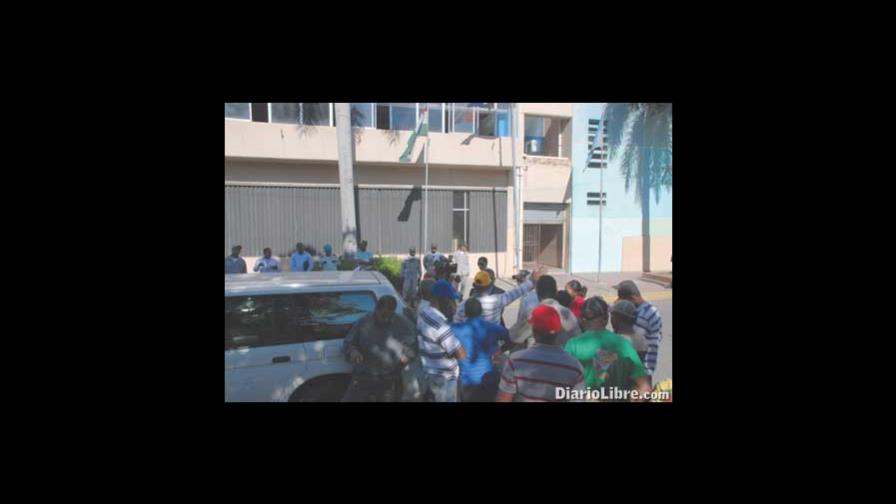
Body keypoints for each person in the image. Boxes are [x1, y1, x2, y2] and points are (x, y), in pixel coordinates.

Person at [564, 296, 651, 401]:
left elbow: (561, 386)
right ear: (606, 319)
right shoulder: (623, 345)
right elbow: (645, 388)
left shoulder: (573, 346)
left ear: (582, 320)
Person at [496, 304, 586, 402]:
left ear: (533, 331)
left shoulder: (515, 361)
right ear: (559, 332)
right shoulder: (575, 367)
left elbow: (504, 398)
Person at [341, 295, 417, 402]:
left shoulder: (403, 324)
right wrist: (353, 352)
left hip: (389, 377)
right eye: (382, 315)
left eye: (388, 316)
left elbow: (413, 344)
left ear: (393, 311)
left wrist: (407, 356)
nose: (385, 319)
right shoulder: (364, 322)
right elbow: (348, 343)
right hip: (364, 375)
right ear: (376, 309)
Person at [417, 279, 468, 402]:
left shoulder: (424, 312)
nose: (453, 303)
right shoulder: (440, 326)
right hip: (444, 380)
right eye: (451, 300)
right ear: (442, 300)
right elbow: (460, 353)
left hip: (428, 372)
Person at [451, 298, 511, 402]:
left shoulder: (456, 329)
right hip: (490, 379)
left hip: (468, 381)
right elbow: (512, 338)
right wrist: (501, 350)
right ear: (481, 312)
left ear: (465, 313)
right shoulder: (492, 327)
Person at [454, 268, 544, 327]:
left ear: (474, 285)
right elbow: (516, 292)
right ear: (490, 285)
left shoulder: (462, 305)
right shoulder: (496, 301)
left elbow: (456, 324)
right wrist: (532, 280)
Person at [509, 275, 581, 349]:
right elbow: (577, 337)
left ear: (537, 292)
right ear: (556, 291)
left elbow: (514, 337)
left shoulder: (533, 313)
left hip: (535, 357)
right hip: (563, 357)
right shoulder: (566, 312)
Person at [616, 280, 663, 379]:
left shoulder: (643, 316)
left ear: (632, 298)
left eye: (624, 301)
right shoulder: (647, 309)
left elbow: (638, 344)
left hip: (642, 367)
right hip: (641, 365)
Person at [610, 299, 649, 364]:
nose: (611, 318)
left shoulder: (616, 341)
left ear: (618, 318)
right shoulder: (643, 337)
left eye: (612, 315)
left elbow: (600, 367)